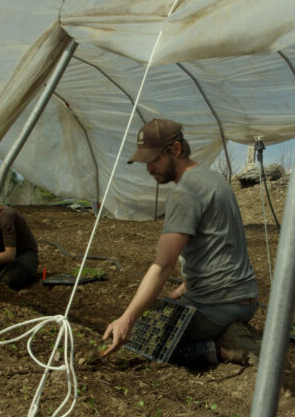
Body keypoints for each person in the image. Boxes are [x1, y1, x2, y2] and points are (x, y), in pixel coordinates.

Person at [102, 118, 260, 365]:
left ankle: (222, 349)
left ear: (175, 150)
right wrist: (186, 288)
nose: (148, 168)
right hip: (246, 300)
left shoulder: (185, 193)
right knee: (162, 309)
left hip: (217, 307)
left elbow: (163, 266)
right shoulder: (213, 180)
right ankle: (228, 331)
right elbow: (218, 245)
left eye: (153, 159)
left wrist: (127, 319)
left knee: (146, 335)